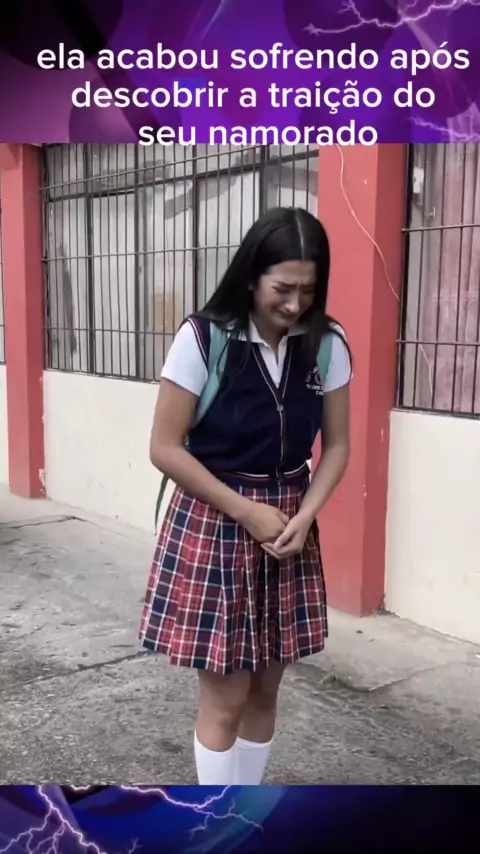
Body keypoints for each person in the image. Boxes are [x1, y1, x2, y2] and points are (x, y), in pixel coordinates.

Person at [139, 206, 352, 786]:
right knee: (227, 694)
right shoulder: (204, 339)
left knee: (265, 688)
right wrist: (244, 511)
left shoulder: (327, 344)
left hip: (288, 524)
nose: (295, 304)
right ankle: (217, 820)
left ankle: (247, 811)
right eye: (282, 288)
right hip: (216, 519)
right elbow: (164, 447)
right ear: (252, 276)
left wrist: (306, 516)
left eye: (308, 290)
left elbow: (336, 446)